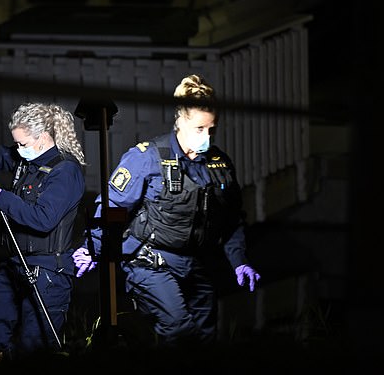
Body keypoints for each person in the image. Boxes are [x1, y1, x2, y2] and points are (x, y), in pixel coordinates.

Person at [73, 74, 261, 348]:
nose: (207, 138)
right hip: (151, 261)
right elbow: (112, 206)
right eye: (199, 129)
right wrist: (93, 248)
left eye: (212, 129)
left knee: (206, 334)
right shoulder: (146, 157)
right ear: (180, 121)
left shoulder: (218, 164)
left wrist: (240, 260)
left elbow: (231, 218)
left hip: (198, 262)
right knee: (179, 330)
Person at [0, 102, 86, 359]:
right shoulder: (26, 158)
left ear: (43, 138)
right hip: (15, 264)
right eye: (16, 143)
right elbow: (1, 154)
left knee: (34, 348)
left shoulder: (65, 171)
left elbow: (43, 218)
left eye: (22, 144)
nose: (18, 150)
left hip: (48, 271)